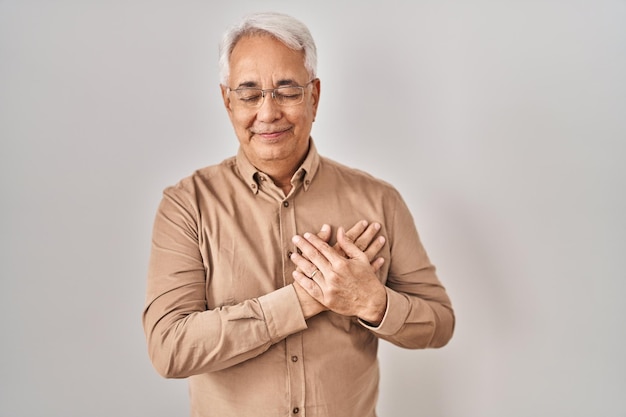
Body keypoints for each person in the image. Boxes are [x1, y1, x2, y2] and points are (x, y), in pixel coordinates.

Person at [142, 11, 454, 417]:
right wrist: (300, 302)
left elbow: (440, 322)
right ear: (227, 101)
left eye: (287, 91)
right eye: (250, 94)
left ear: (315, 97)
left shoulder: (379, 200)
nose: (268, 113)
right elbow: (169, 348)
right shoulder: (187, 205)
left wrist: (371, 302)